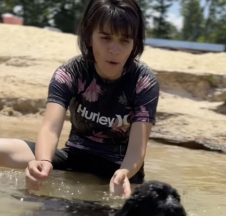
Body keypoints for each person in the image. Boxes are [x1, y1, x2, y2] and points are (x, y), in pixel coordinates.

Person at [0, 0, 159, 198]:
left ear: (135, 43)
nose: (115, 49)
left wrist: (124, 173)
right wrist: (43, 162)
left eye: (124, 40)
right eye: (105, 37)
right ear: (89, 36)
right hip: (74, 156)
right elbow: (50, 127)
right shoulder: (70, 73)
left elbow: (137, 149)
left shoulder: (143, 82)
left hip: (120, 169)